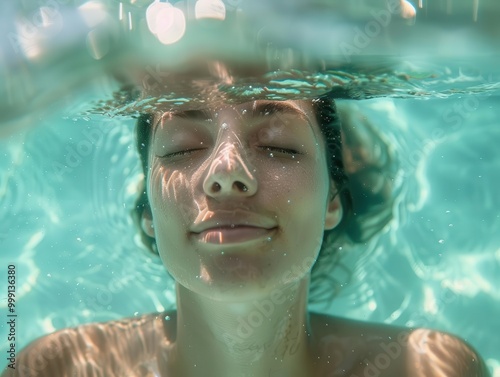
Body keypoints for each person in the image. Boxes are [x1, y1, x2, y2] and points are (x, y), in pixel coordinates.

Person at [3, 95, 488, 377]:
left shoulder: (429, 369)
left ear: (332, 201)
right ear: (149, 210)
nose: (227, 173)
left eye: (279, 145)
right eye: (182, 149)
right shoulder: (59, 370)